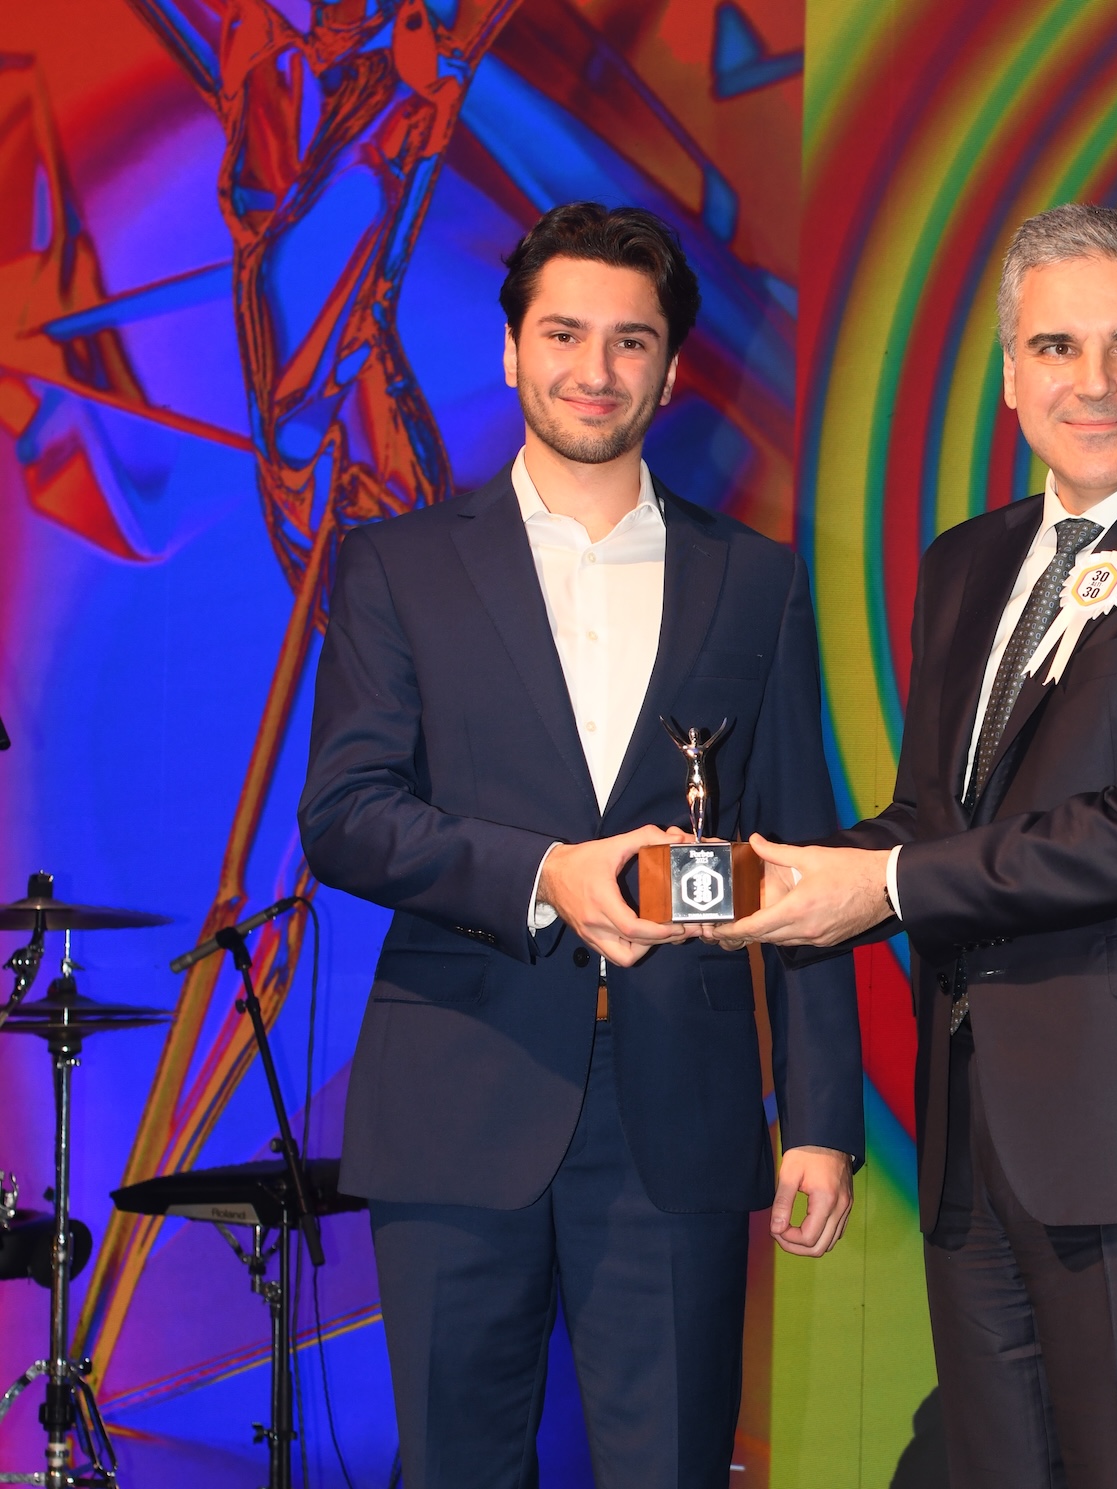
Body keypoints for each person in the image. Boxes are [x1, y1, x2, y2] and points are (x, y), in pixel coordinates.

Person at [710, 204, 1117, 1486]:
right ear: (1007, 378)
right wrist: (773, 880)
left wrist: (879, 883)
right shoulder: (968, 561)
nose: (1090, 382)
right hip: (973, 1134)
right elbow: (934, 819)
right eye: (1054, 347)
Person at [298, 201, 863, 1488]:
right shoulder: (398, 567)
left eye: (629, 340)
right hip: (458, 1087)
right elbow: (345, 815)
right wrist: (546, 873)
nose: (593, 369)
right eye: (562, 333)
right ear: (511, 350)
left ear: (670, 370)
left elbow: (802, 856)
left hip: (679, 1107)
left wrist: (822, 1119)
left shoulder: (755, 578)